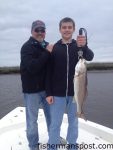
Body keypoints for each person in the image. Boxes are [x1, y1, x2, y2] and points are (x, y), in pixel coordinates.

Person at [46, 17, 94, 150]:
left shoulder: (78, 46)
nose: (67, 30)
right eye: (64, 27)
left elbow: (90, 57)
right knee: (55, 124)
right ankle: (52, 147)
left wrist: (84, 46)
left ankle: (72, 146)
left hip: (75, 94)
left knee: (74, 122)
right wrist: (49, 93)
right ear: (60, 29)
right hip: (57, 95)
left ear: (73, 29)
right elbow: (48, 72)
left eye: (69, 27)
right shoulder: (54, 48)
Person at [20, 20, 53, 150]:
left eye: (42, 30)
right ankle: (33, 145)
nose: (40, 32)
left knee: (52, 118)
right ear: (32, 31)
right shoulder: (26, 47)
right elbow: (33, 67)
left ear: (45, 32)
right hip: (31, 92)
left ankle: (54, 138)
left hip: (47, 90)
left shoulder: (47, 46)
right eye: (37, 30)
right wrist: (47, 52)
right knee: (32, 121)